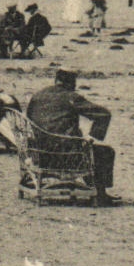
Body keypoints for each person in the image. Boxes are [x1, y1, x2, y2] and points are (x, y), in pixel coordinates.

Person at [26, 70, 118, 204]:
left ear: (56, 80)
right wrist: (92, 137)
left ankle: (94, 189)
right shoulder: (71, 97)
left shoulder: (38, 96)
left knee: (84, 148)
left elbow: (29, 120)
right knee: (105, 152)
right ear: (72, 83)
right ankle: (100, 194)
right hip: (64, 157)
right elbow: (104, 114)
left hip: (37, 154)